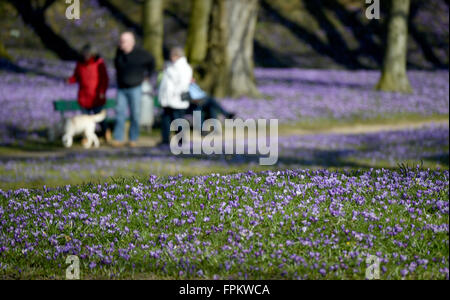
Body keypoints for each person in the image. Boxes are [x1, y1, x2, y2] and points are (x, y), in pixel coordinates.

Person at [113, 31, 155, 148]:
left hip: (135, 87)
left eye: (124, 41)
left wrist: (148, 76)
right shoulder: (119, 53)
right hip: (121, 88)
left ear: (132, 42)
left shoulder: (141, 54)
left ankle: (133, 138)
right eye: (120, 41)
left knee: (135, 114)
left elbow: (152, 62)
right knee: (119, 113)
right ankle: (118, 138)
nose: (121, 44)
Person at [67, 44, 110, 143]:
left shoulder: (99, 63)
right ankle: (86, 137)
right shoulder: (80, 64)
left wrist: (102, 91)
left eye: (88, 53)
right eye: (84, 53)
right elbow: (76, 77)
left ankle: (106, 133)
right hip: (84, 97)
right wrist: (70, 80)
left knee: (100, 117)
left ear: (93, 54)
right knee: (84, 120)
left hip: (97, 96)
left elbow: (104, 79)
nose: (86, 55)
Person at [158, 47, 193, 146]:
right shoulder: (170, 67)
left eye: (173, 55)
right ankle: (165, 140)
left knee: (178, 121)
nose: (171, 57)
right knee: (166, 120)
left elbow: (183, 84)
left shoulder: (184, 68)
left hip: (176, 99)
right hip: (167, 99)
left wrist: (174, 94)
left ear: (178, 56)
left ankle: (181, 140)